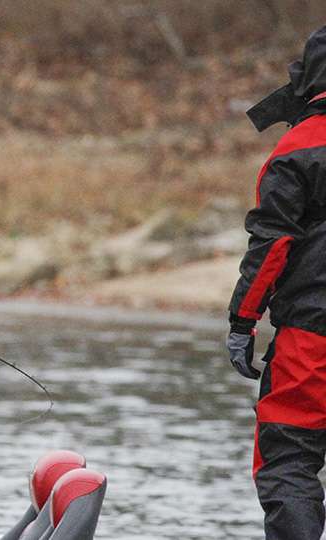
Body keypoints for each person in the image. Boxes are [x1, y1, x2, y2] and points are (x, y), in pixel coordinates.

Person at [228, 25, 326, 540]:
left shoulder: (301, 145)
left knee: (288, 461)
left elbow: (272, 244)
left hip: (313, 335)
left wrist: (242, 322)